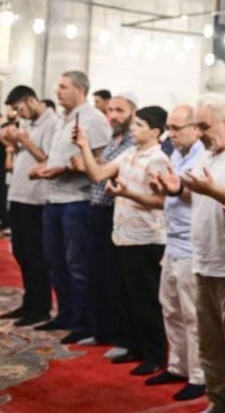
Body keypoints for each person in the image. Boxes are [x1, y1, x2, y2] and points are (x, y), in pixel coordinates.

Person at [154, 94, 225, 412]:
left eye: (205, 126)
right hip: (205, 260)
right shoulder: (207, 153)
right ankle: (217, 403)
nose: (200, 132)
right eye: (198, 126)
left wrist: (211, 191)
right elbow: (195, 195)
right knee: (210, 345)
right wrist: (176, 188)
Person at [74, 106, 173, 376]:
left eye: (140, 125)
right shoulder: (130, 153)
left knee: (146, 300)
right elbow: (97, 174)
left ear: (155, 131)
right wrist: (83, 146)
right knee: (126, 297)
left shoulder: (158, 160)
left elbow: (162, 202)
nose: (133, 128)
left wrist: (127, 193)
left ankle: (156, 354)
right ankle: (134, 345)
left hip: (147, 238)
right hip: (124, 235)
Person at [31, 71, 112, 342]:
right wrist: (46, 169)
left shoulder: (94, 119)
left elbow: (99, 163)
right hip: (53, 198)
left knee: (78, 265)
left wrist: (65, 170)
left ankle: (85, 321)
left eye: (63, 87)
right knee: (55, 261)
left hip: (78, 200)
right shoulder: (62, 119)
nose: (57, 91)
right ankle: (65, 313)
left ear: (80, 90)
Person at [141, 105, 207, 401]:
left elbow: (202, 195)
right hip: (173, 241)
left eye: (177, 128)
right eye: (169, 127)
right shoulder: (177, 155)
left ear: (196, 128)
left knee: (192, 314)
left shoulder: (203, 156)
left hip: (193, 245)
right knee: (169, 307)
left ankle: (199, 375)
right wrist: (165, 189)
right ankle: (178, 365)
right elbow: (173, 192)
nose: (171, 134)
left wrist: (176, 188)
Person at [78, 92, 137, 352]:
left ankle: (122, 337)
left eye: (120, 111)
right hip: (98, 210)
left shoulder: (134, 142)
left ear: (133, 113)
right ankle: (101, 330)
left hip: (117, 214)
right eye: (110, 110)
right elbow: (104, 166)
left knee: (116, 280)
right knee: (96, 275)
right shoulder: (115, 139)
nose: (112, 115)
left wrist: (85, 152)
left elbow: (103, 171)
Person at [0, 85, 59, 326]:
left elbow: (49, 160)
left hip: (36, 198)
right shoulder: (30, 124)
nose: (19, 114)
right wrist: (14, 143)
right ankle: (29, 302)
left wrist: (24, 140)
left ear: (32, 100)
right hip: (19, 195)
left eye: (19, 108)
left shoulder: (51, 123)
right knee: (21, 252)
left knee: (35, 255)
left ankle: (40, 307)